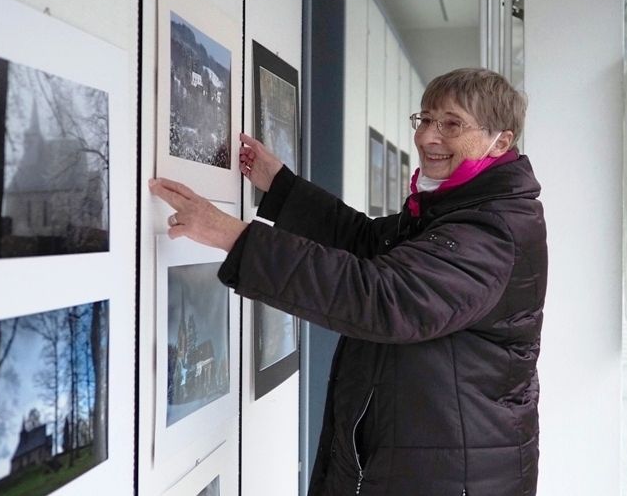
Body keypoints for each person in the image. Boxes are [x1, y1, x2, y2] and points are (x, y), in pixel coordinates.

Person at [149, 67, 547, 496]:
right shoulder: (455, 208)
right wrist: (280, 187)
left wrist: (232, 235)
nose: (428, 136)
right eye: (427, 118)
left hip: (453, 476)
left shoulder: (491, 231)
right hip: (425, 459)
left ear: (500, 141)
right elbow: (366, 241)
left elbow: (384, 297)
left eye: (451, 124)